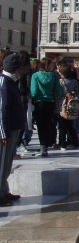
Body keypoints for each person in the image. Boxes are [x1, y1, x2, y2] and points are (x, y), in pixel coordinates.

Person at [0, 54, 25, 206]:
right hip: (6, 132)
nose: (21, 71)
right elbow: (1, 110)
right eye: (20, 68)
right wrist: (3, 132)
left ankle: (4, 191)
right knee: (2, 165)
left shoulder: (11, 81)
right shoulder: (4, 82)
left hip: (13, 129)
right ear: (15, 69)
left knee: (7, 164)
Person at [31, 58, 63, 156]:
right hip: (51, 102)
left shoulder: (35, 75)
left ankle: (43, 146)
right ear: (47, 65)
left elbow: (34, 91)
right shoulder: (53, 76)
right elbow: (59, 91)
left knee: (41, 125)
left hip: (40, 102)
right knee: (49, 123)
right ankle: (49, 142)